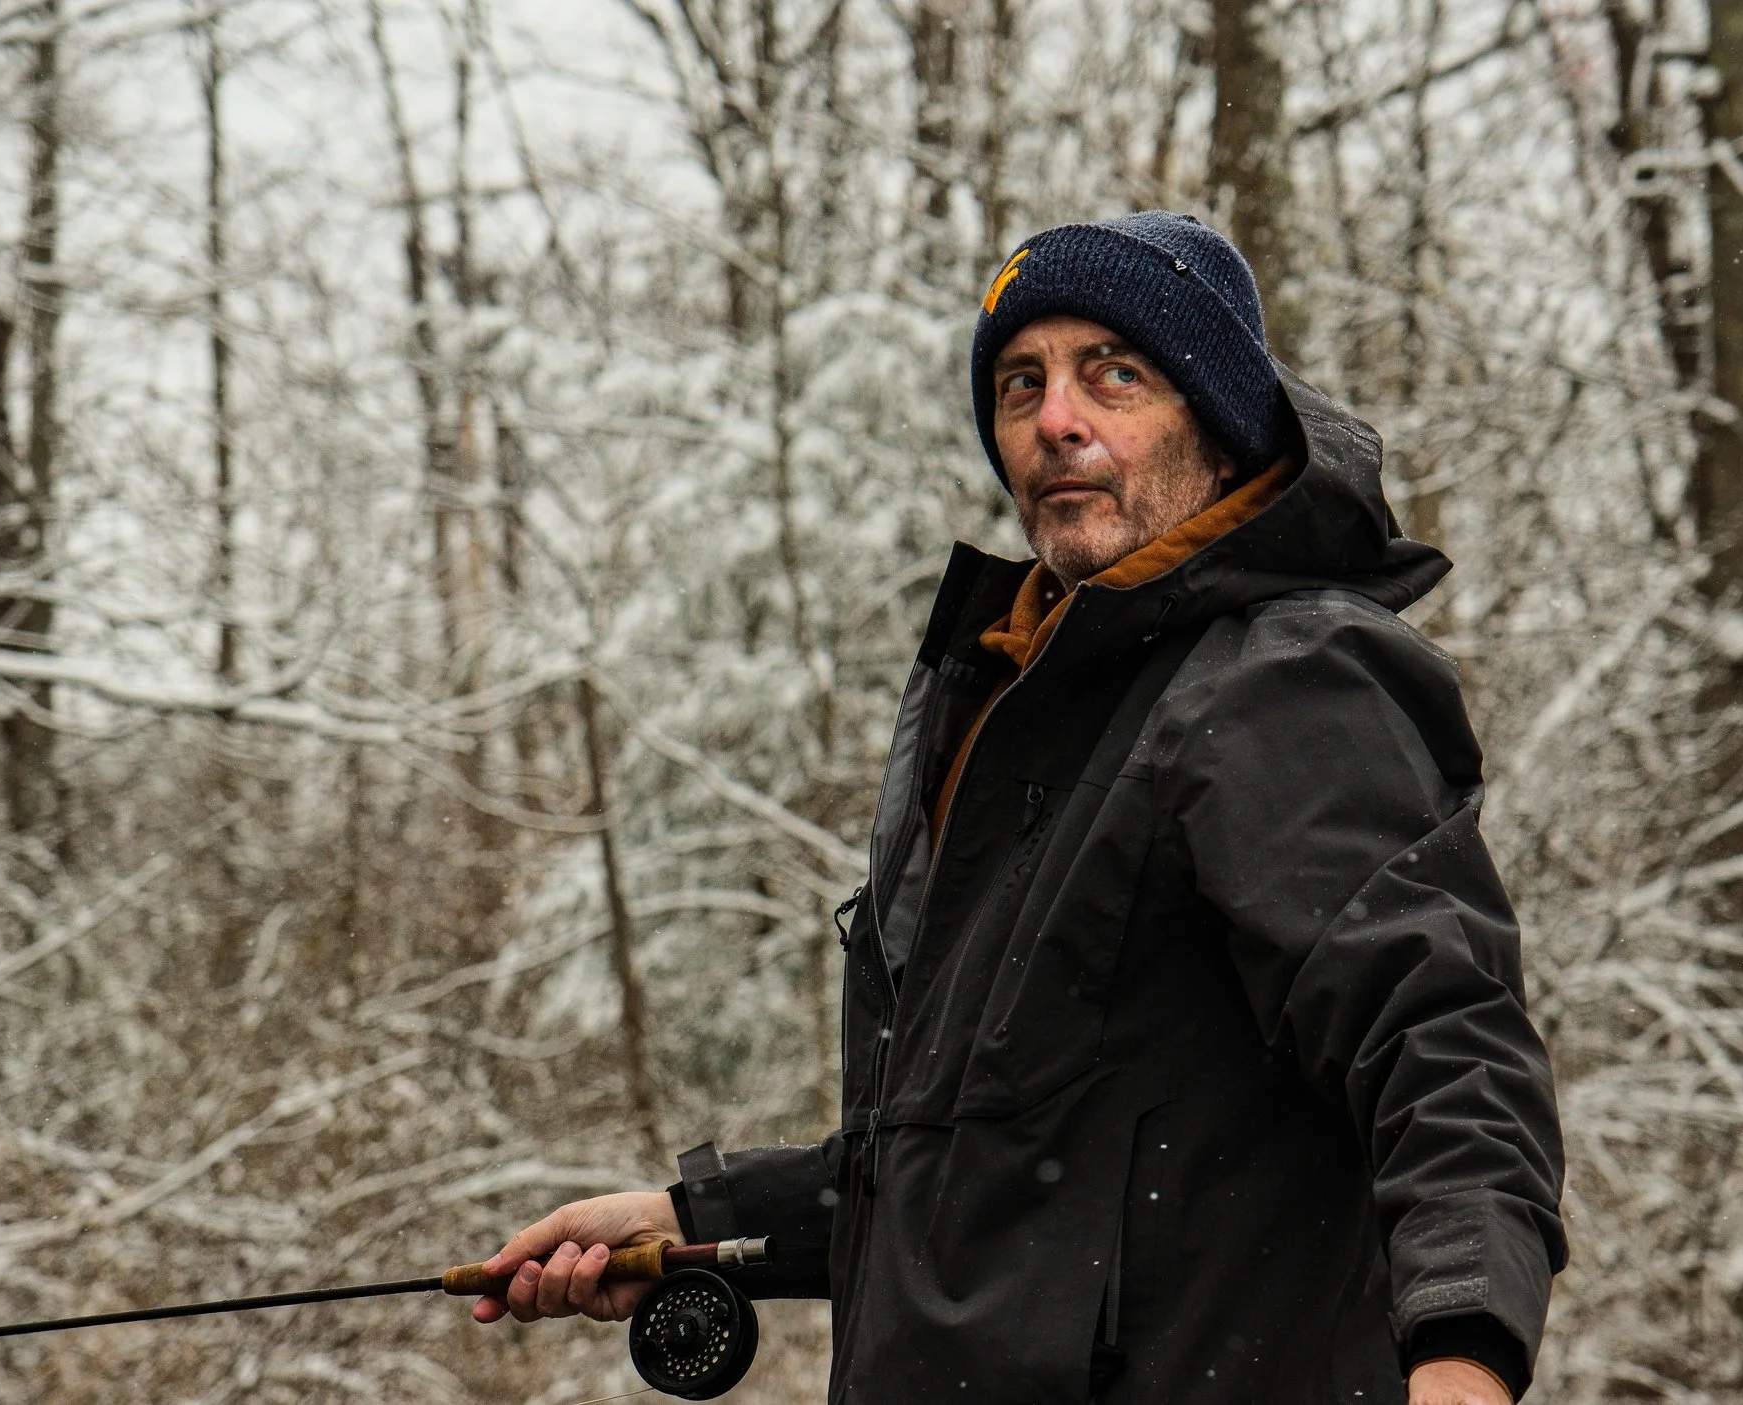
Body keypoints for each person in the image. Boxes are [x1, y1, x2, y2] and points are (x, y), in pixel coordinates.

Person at [471, 211, 1566, 1405]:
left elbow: (1444, 1041)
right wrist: (697, 1221)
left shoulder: (1282, 678)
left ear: (1217, 419)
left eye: (1116, 374)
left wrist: (1463, 1356)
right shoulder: (1026, 709)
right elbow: (984, 1159)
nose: (1055, 418)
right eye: (1019, 384)